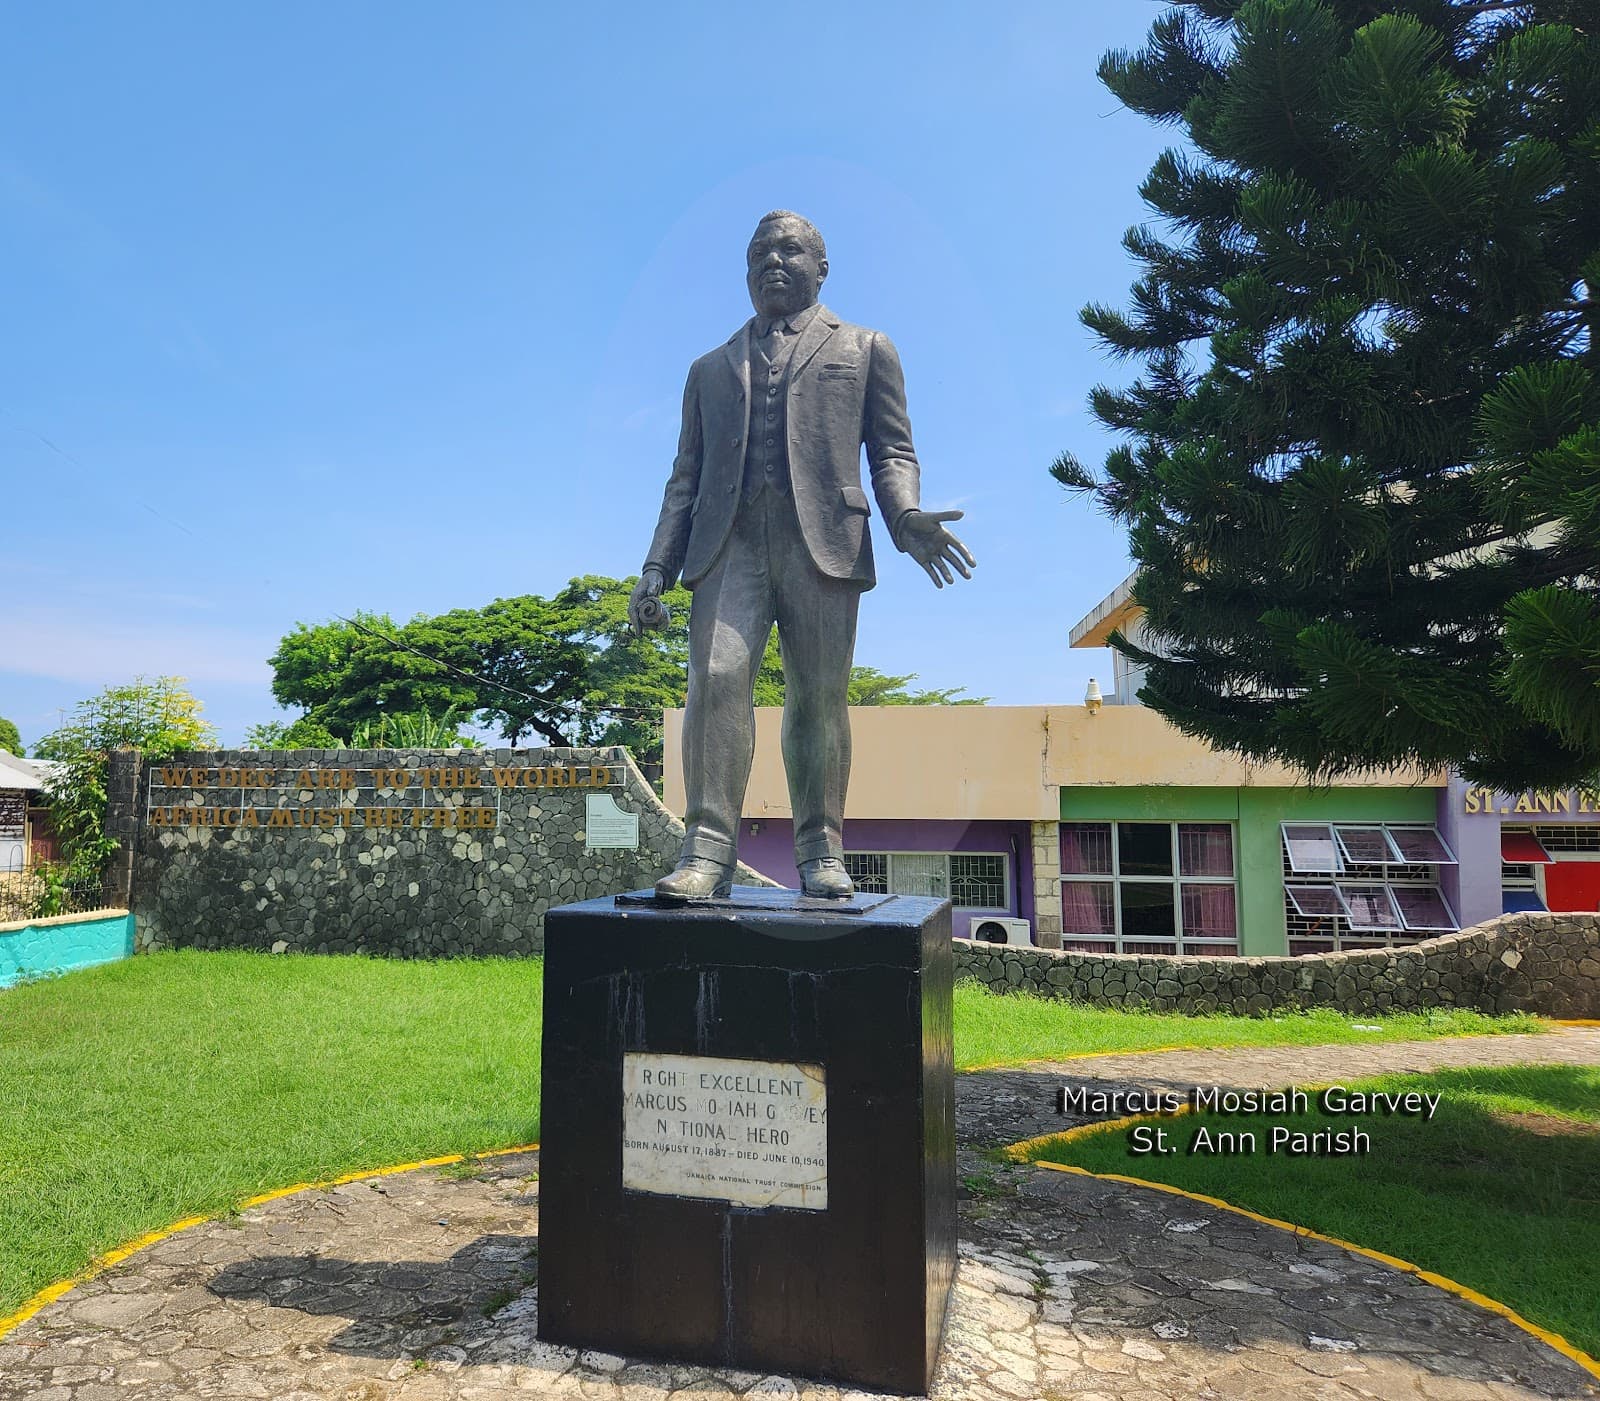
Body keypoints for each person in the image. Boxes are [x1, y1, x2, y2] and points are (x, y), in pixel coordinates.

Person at [628, 211, 973, 900]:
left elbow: (893, 450)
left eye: (790, 250)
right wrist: (655, 567)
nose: (773, 262)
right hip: (728, 546)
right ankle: (706, 851)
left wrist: (905, 515)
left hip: (825, 544)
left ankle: (821, 850)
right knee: (715, 679)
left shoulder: (866, 347)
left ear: (822, 268)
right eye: (760, 252)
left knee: (817, 695)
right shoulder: (708, 369)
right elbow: (684, 480)